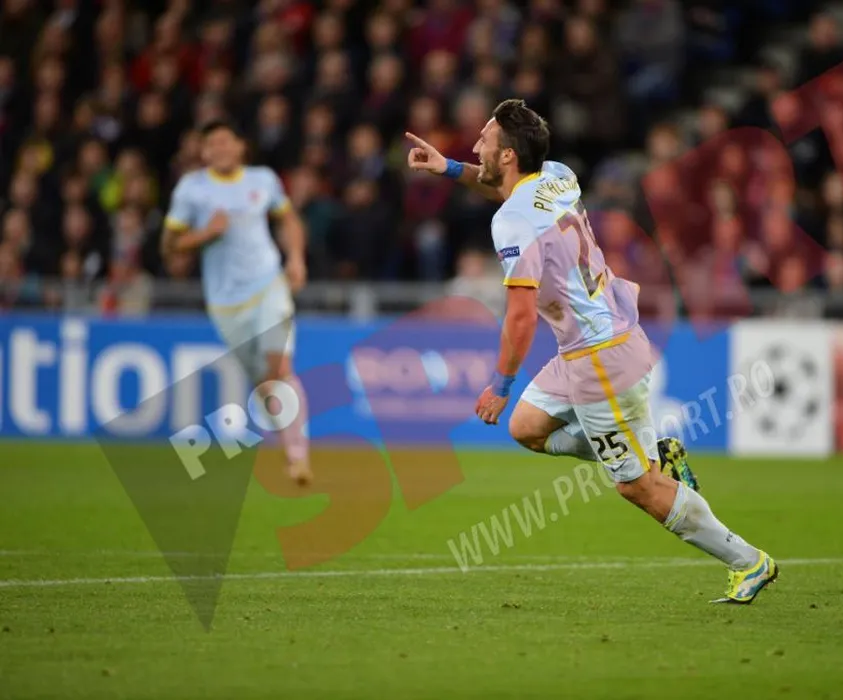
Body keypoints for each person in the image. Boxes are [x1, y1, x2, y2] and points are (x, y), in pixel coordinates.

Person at [405, 100, 778, 604]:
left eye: (484, 141)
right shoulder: (558, 175)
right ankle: (649, 452)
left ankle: (748, 561)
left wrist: (500, 385)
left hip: (601, 356)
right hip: (594, 339)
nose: (475, 147)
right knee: (527, 427)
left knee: (637, 487)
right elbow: (501, 186)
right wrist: (447, 168)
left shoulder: (511, 222)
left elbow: (520, 316)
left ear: (509, 154)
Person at [161, 119, 313, 486]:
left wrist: (295, 258)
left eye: (226, 141)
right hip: (226, 303)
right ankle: (288, 442)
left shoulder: (263, 180)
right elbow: (168, 247)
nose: (220, 149)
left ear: (241, 146)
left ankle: (299, 456)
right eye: (212, 144)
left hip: (269, 285)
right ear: (203, 152)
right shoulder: (192, 190)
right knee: (266, 385)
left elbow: (288, 220)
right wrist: (205, 234)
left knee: (281, 367)